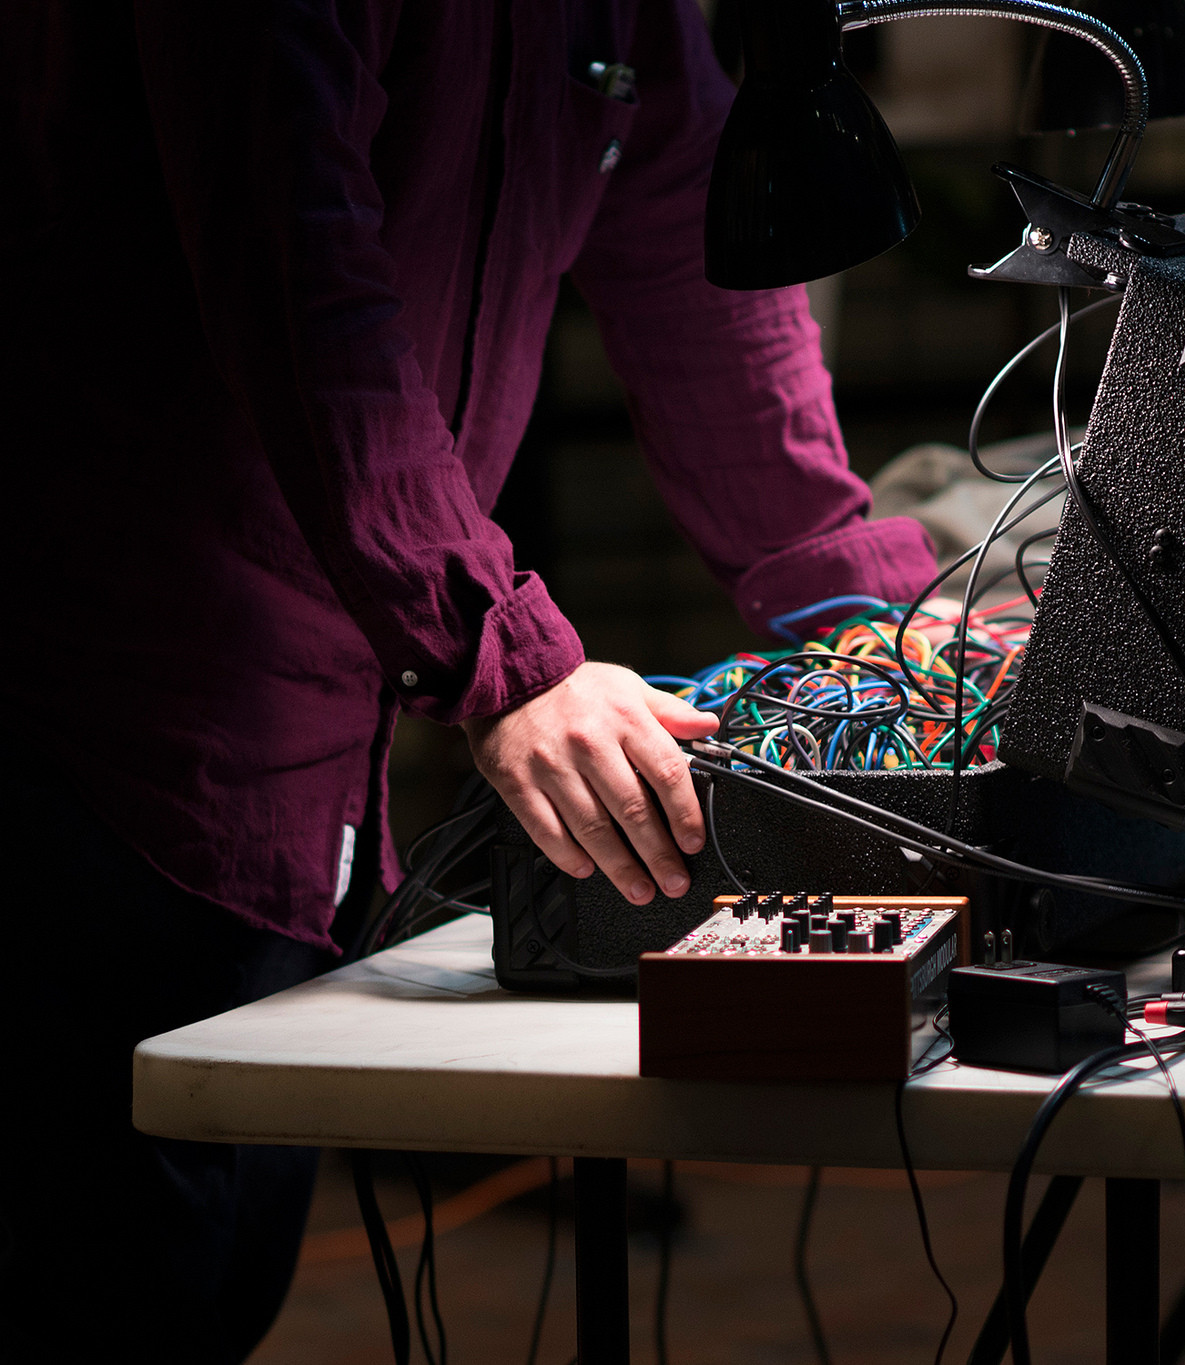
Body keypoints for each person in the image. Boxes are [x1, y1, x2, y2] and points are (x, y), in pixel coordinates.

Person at [0, 1, 938, 1359]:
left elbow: (688, 241)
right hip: (98, 737)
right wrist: (503, 656)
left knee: (203, 1287)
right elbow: (295, 266)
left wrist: (856, 603)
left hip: (304, 763)